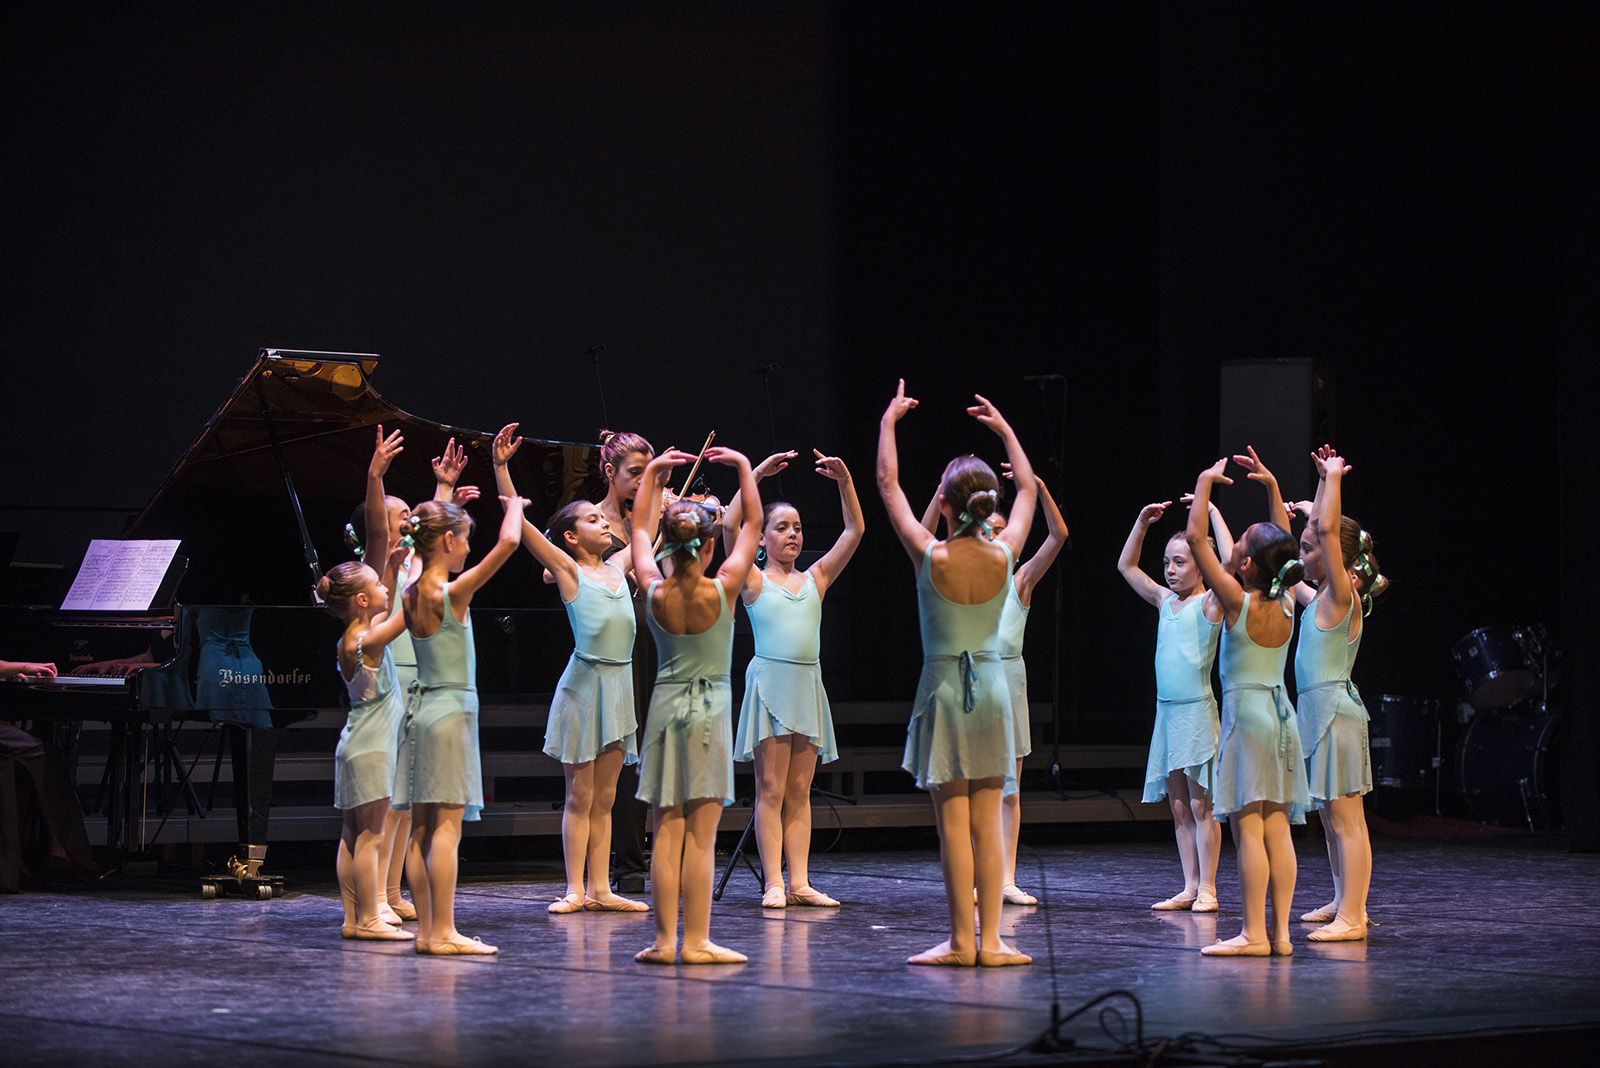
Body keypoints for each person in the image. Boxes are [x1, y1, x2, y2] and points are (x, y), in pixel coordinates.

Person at [876, 380, 1035, 967]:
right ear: (987, 507)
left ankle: (963, 942)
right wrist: (1007, 432)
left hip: (946, 691)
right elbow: (1027, 495)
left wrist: (890, 421)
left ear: (943, 504)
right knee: (989, 823)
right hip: (991, 689)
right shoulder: (1006, 551)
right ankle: (991, 941)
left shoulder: (930, 553)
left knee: (954, 827)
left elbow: (888, 485)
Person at [492, 422, 647, 914]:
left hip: (620, 686)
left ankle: (601, 889)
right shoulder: (568, 571)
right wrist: (501, 469)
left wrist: (659, 474)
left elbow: (646, 525)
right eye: (594, 523)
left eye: (605, 524)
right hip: (585, 687)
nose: (607, 525)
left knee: (605, 798)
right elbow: (527, 533)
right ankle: (574, 889)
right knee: (580, 797)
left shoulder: (622, 568)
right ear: (571, 537)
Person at [629, 445, 761, 965]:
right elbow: (750, 524)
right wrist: (746, 469)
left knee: (667, 830)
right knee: (701, 837)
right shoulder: (725, 589)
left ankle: (663, 942)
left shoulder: (654, 590)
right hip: (707, 716)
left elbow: (640, 532)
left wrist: (656, 476)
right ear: (708, 548)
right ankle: (698, 940)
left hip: (664, 711)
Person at [720, 448, 865, 910]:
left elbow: (855, 530)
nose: (793, 535)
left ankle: (799, 880)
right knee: (771, 789)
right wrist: (757, 475)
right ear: (761, 539)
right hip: (770, 685)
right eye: (782, 528)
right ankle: (774, 883)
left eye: (798, 528)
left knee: (800, 791)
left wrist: (845, 484)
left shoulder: (817, 579)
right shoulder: (753, 581)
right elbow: (727, 525)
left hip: (807, 686)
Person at [353, 426, 480, 922]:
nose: (408, 524)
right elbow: (382, 532)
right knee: (390, 794)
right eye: (400, 516)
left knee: (409, 797)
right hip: (396, 682)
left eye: (411, 519)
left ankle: (394, 888)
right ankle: (377, 897)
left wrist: (444, 490)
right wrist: (375, 475)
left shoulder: (419, 573)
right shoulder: (378, 570)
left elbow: (431, 532)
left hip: (423, 681)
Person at [1185, 456, 1309, 957]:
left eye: (1238, 545)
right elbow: (1284, 544)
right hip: (1283, 718)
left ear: (1247, 565)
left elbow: (1196, 542)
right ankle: (1280, 936)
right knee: (1277, 826)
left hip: (1249, 720)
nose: (1231, 546)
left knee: (1248, 829)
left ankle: (1254, 933)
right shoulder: (1284, 602)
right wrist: (1275, 488)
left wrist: (1203, 482)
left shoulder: (1238, 600)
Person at [393, 495, 524, 955]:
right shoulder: (451, 594)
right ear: (447, 540)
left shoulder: (410, 587)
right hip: (450, 713)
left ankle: (428, 931)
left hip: (422, 710)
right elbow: (509, 542)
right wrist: (514, 504)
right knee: (446, 829)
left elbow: (415, 548)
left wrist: (443, 494)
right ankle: (443, 931)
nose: (468, 548)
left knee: (422, 829)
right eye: (465, 538)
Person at [1278, 447, 1386, 942]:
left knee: (1346, 821)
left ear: (1336, 557)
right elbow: (1310, 537)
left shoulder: (1343, 596)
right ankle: (1344, 900)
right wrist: (1315, 492)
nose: (1302, 556)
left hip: (1336, 716)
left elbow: (1325, 533)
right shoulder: (1319, 598)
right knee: (1328, 818)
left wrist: (1334, 479)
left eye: (1310, 549)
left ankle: (1354, 916)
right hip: (1315, 713)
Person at [1116, 495, 1233, 913]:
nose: (1170, 569)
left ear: (1202, 565)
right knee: (1180, 807)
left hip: (1196, 711)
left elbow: (1231, 561)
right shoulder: (1166, 603)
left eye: (1180, 561)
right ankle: (1189, 885)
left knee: (1203, 806)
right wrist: (1141, 523)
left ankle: (1209, 889)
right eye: (1167, 562)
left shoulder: (1211, 603)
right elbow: (1127, 567)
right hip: (1167, 714)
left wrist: (1213, 513)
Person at [318, 545, 415, 941]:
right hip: (372, 748)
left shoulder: (355, 635)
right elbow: (408, 613)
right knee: (371, 836)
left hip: (356, 744)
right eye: (377, 585)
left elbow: (384, 607)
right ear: (361, 600)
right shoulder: (370, 641)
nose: (385, 588)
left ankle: (353, 919)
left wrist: (390, 569)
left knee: (353, 835)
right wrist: (429, 570)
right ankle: (369, 918)